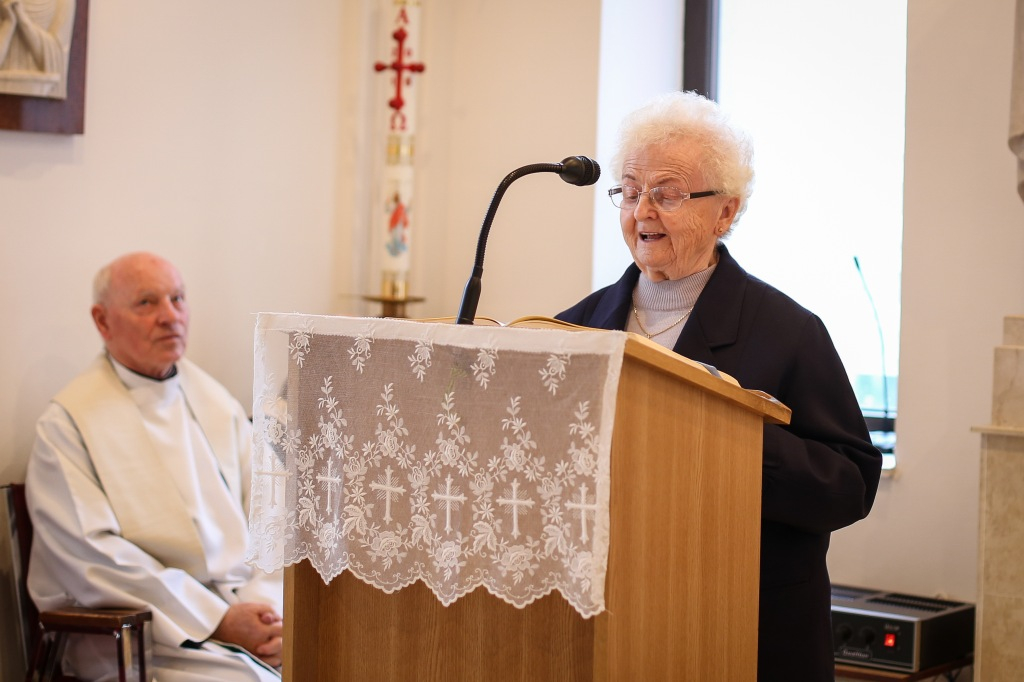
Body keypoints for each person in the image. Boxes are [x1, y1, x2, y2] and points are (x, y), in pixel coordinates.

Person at [556, 92, 883, 681]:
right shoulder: (574, 329)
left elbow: (850, 485)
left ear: (725, 213)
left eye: (668, 194)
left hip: (745, 627)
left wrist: (729, 439)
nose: (643, 211)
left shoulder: (789, 332)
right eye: (630, 191)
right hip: (609, 623)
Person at [25, 252, 284, 681]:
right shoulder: (68, 427)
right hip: (143, 637)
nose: (170, 316)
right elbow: (95, 558)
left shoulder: (216, 403)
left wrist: (268, 614)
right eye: (147, 302)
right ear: (103, 321)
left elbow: (270, 515)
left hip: (243, 612)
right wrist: (218, 619)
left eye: (178, 299)